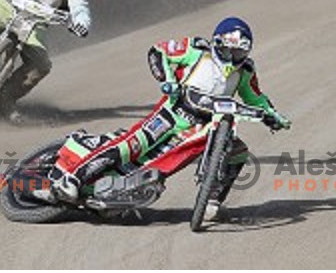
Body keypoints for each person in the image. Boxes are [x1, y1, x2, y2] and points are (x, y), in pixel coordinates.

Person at [48, 17, 291, 221]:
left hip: (207, 126)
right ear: (217, 43)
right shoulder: (197, 49)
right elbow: (158, 50)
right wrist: (167, 79)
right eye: (228, 49)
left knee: (237, 152)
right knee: (131, 146)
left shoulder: (246, 71)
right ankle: (73, 178)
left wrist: (273, 115)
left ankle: (212, 201)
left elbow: (256, 97)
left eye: (239, 51)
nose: (232, 56)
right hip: (172, 112)